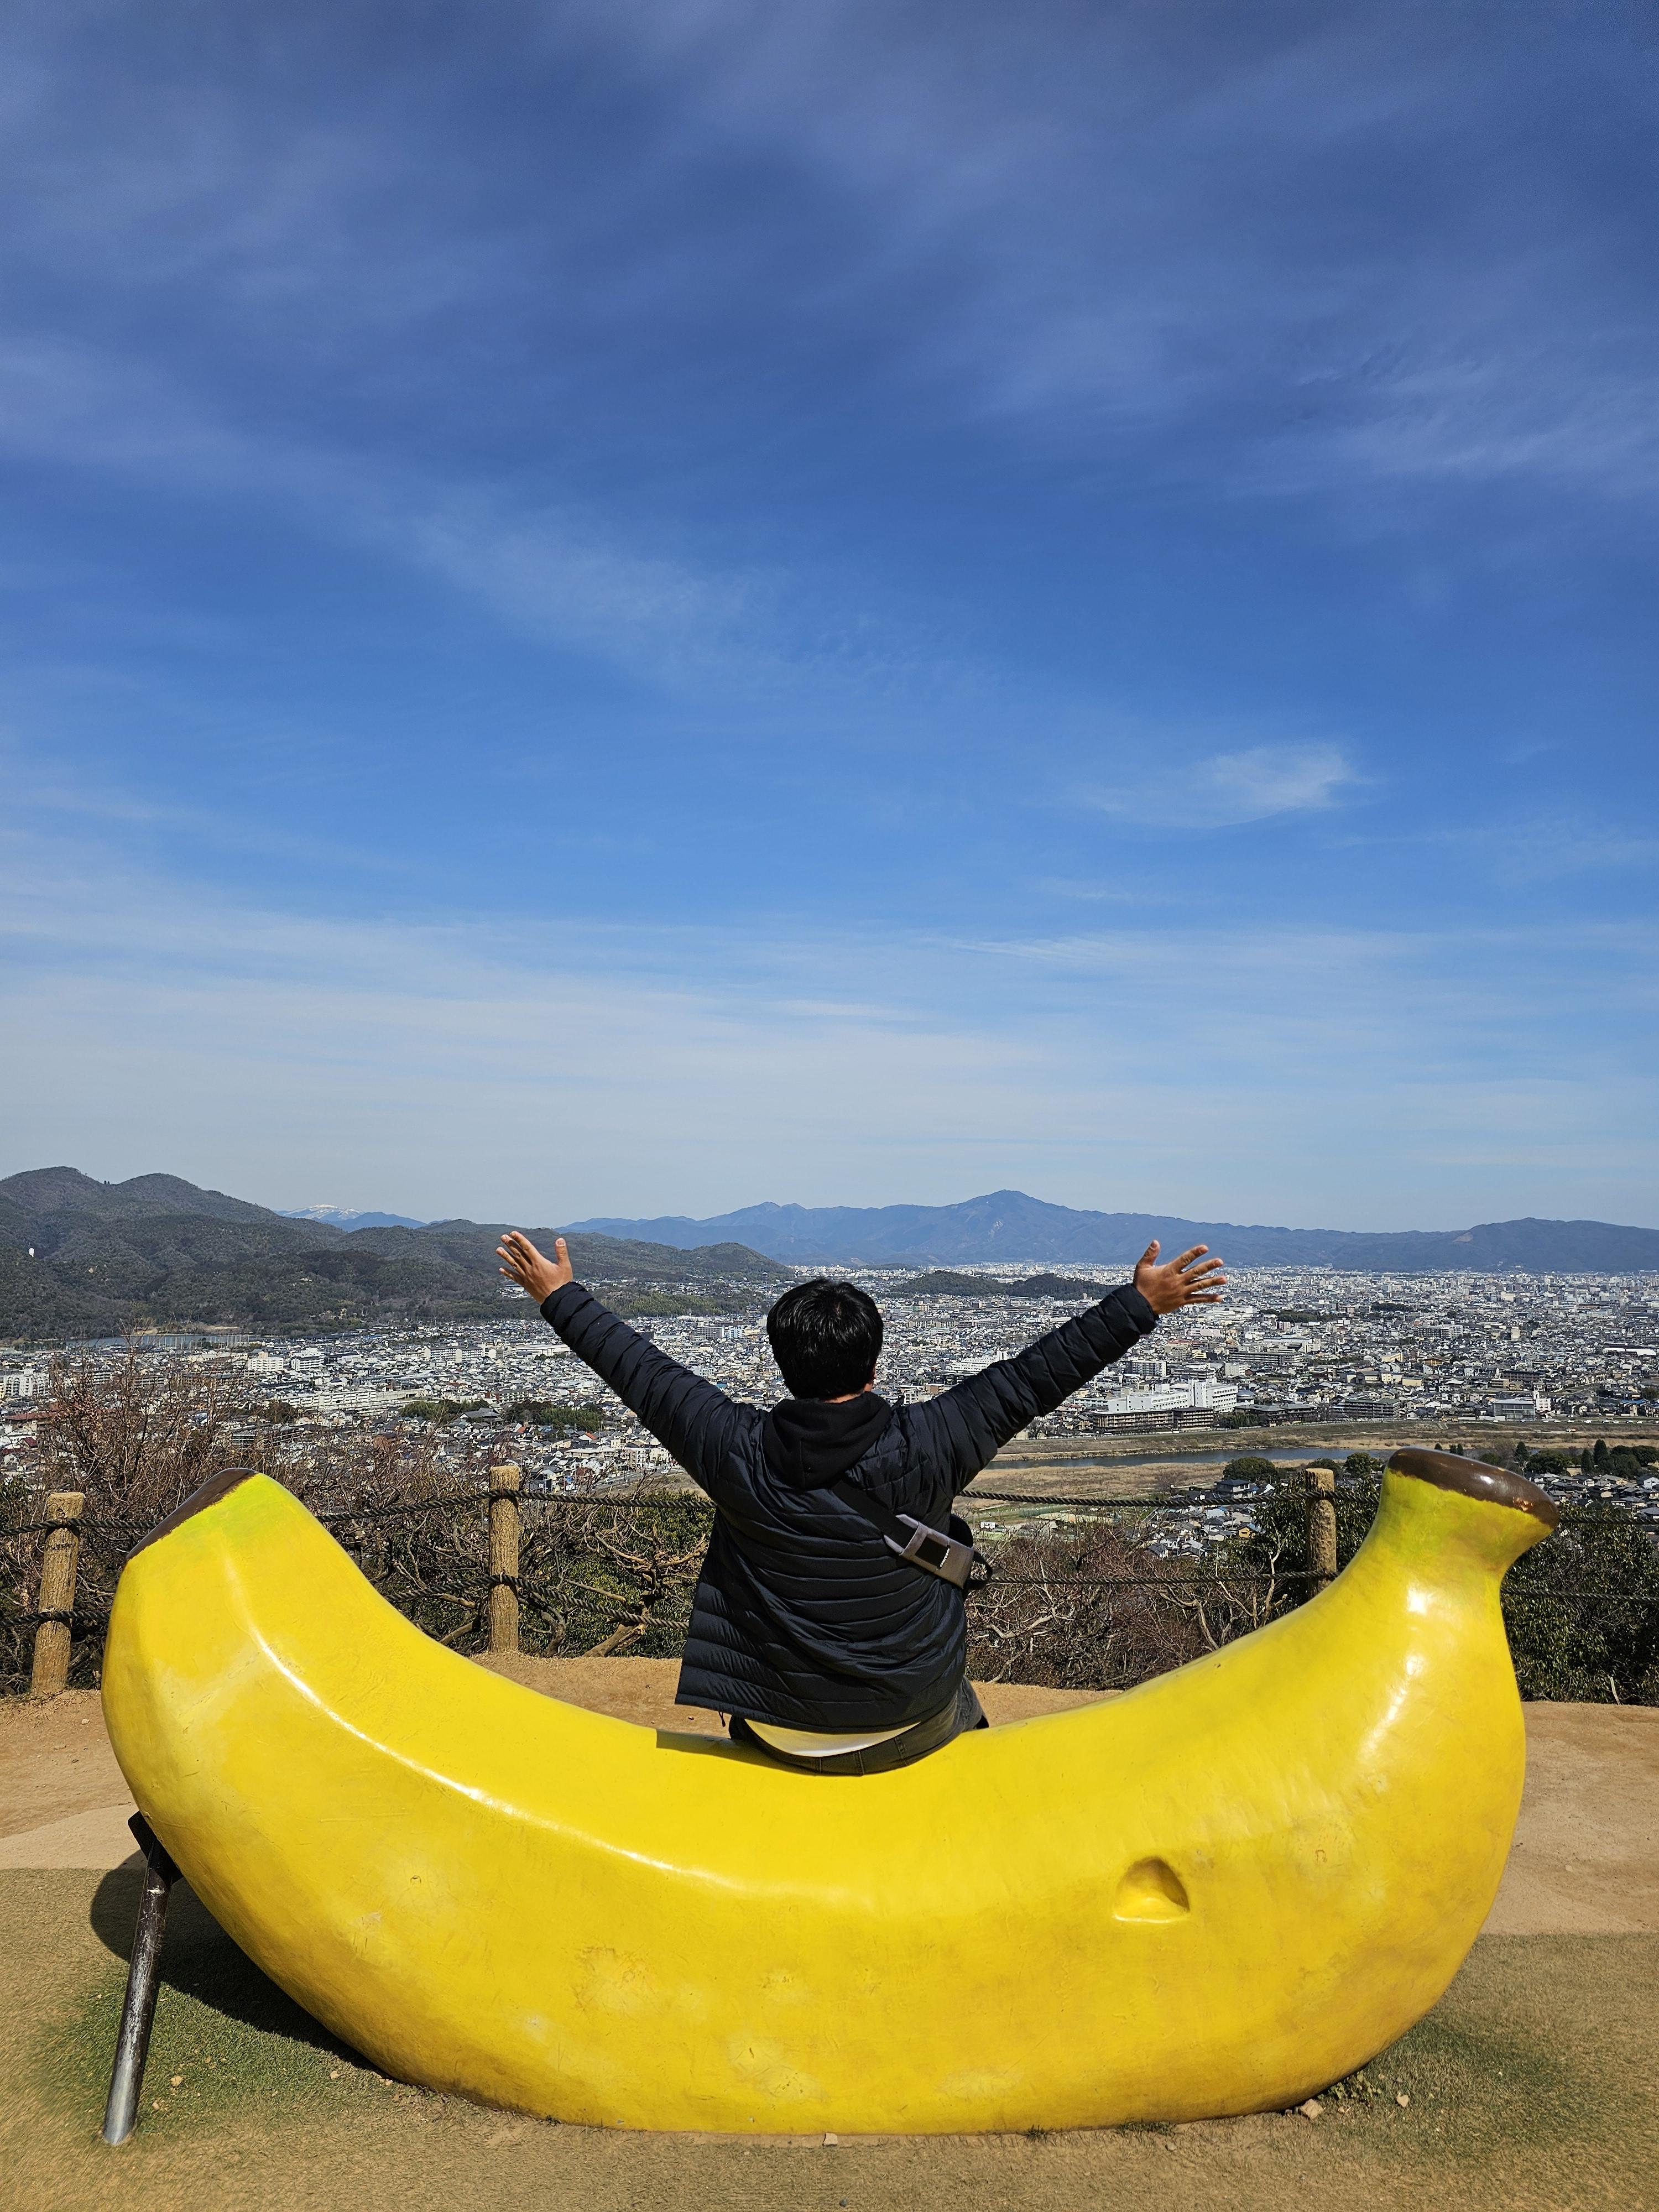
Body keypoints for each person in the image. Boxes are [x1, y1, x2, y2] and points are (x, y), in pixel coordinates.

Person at [495, 1230, 1224, 1775]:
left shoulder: (731, 1447)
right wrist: (1142, 1302)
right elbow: (1036, 1375)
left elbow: (644, 1372)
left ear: (782, 1366)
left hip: (776, 1723)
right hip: (912, 1720)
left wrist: (559, 1295)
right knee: (964, 1711)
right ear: (875, 1362)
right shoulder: (935, 1439)